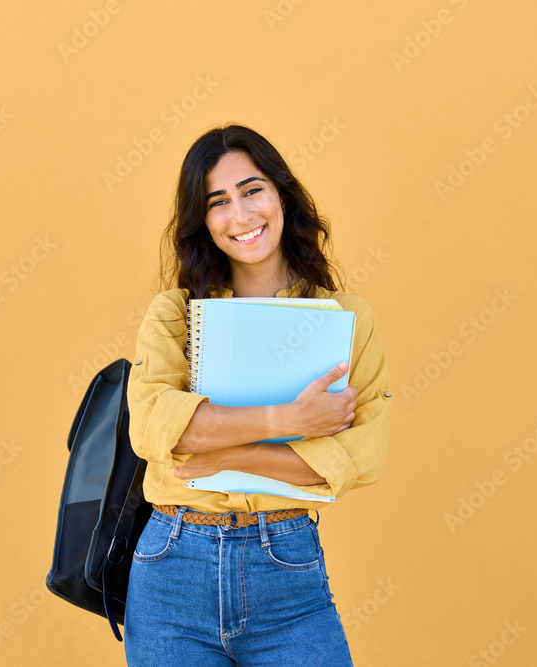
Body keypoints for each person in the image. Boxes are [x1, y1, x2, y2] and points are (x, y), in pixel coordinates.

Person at [124, 123, 391, 666]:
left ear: (281, 195)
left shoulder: (346, 319)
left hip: (287, 570)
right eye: (218, 202)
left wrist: (230, 452)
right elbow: (155, 432)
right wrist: (290, 419)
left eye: (252, 190)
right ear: (203, 222)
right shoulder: (173, 317)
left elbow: (356, 460)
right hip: (172, 568)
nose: (241, 216)